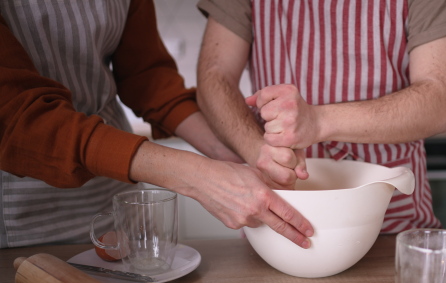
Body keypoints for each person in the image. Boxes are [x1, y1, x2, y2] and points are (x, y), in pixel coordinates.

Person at [0, 0, 313, 249]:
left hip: (110, 195)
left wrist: (230, 150)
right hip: (22, 212)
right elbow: (17, 118)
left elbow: (146, 79)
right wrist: (197, 175)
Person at [195, 0, 446, 233]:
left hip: (391, 222)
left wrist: (318, 122)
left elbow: (442, 99)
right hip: (275, 216)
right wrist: (257, 151)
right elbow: (214, 77)